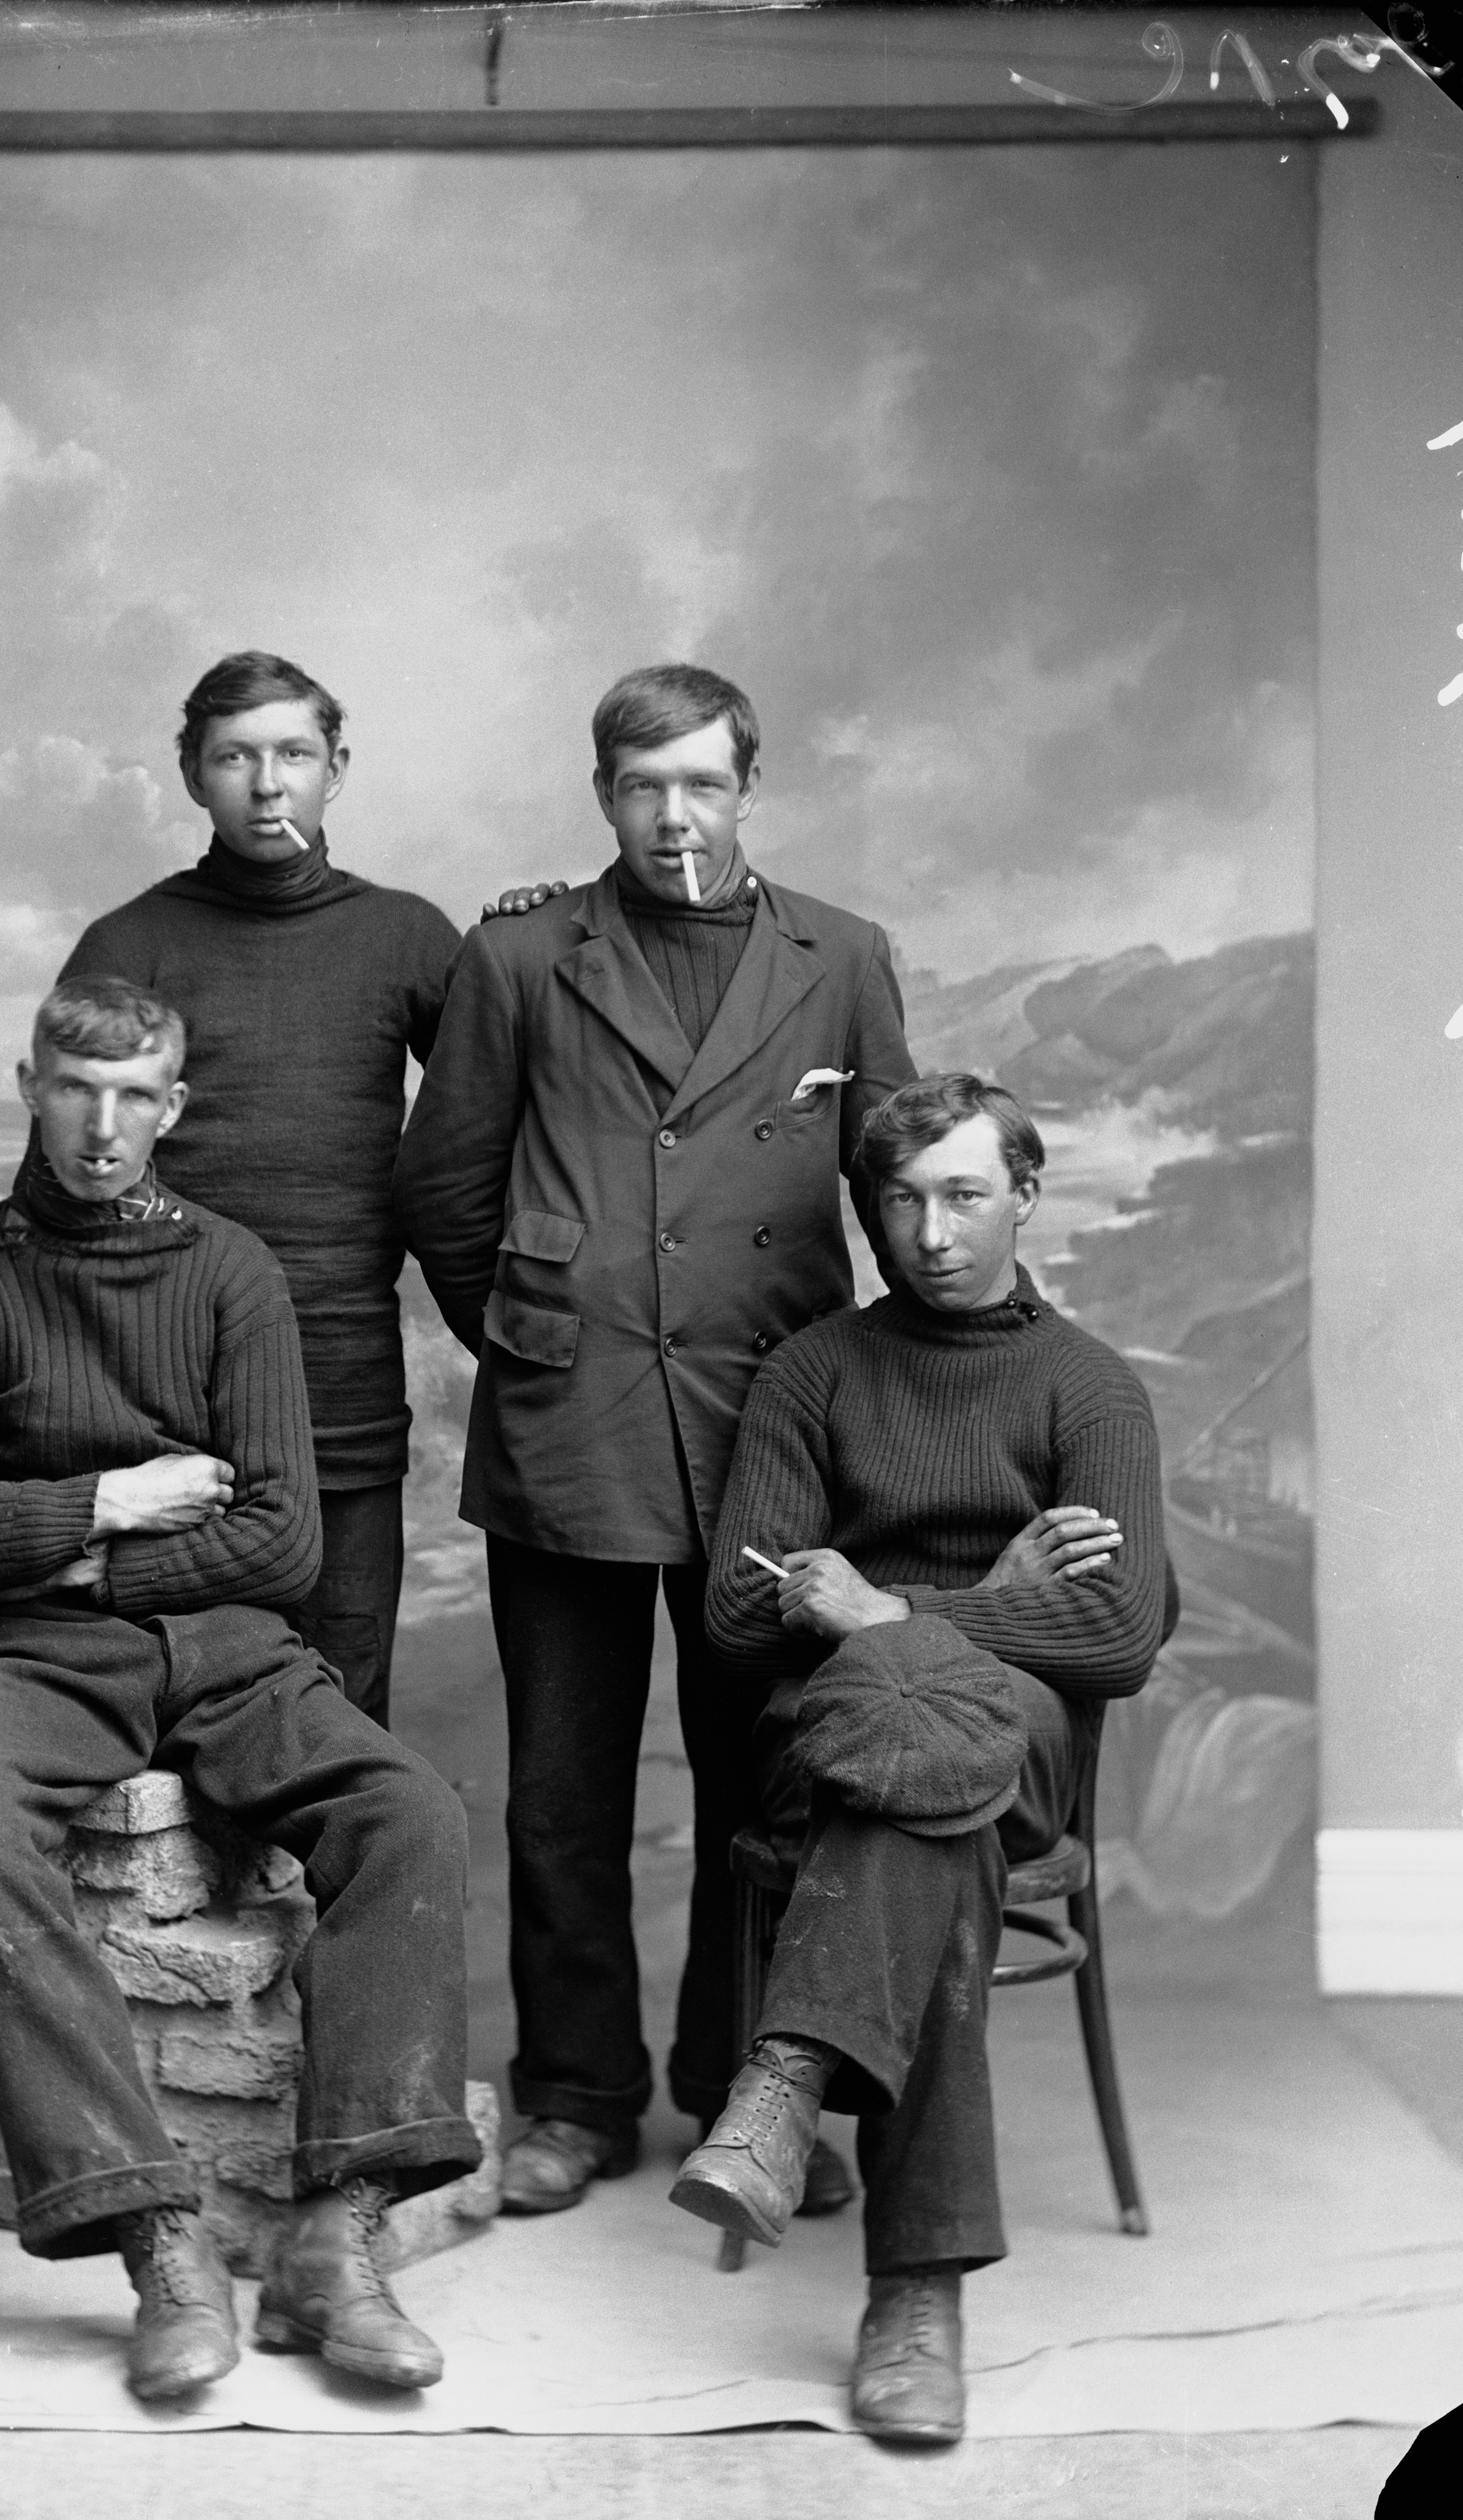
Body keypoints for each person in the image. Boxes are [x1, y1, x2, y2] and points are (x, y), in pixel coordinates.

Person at [0, 975, 480, 2403]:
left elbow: (282, 1538)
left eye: (137, 1094)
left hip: (222, 1640)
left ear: (174, 1107)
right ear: (29, 1084)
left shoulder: (231, 1268)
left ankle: (338, 2237)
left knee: (408, 1812)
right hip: (28, 1653)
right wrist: (115, 1498)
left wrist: (65, 1557)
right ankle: (158, 2239)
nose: (103, 1125)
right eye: (77, 1090)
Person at [393, 662, 917, 2214]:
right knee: (563, 1785)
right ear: (602, 796)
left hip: (775, 1425)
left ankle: (746, 2093)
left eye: (701, 783)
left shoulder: (843, 957)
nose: (672, 816)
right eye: (640, 787)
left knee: (764, 1780)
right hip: (571, 1421)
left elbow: (894, 1184)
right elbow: (442, 1188)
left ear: (749, 787)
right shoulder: (520, 956)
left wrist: (901, 1414)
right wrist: (538, 1329)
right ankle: (572, 2096)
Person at [672, 1073, 1173, 2443]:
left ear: (1024, 1194)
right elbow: (733, 1612)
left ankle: (779, 2088)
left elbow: (1123, 1631)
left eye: (962, 1196)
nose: (931, 1233)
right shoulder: (814, 1373)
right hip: (844, 1746)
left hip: (1016, 1745)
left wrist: (892, 1611)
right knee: (919, 1803)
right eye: (899, 1201)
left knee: (930, 1734)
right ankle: (917, 2298)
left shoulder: (1088, 1390)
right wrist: (997, 1609)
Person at [58, 652, 463, 1728]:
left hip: (344, 1390)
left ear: (338, 768)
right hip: (165, 1402)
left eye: (293, 754)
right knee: (165, 1717)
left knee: (340, 1713)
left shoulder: (409, 938)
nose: (267, 783)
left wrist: (536, 934)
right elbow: (71, 1171)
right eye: (236, 757)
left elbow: (494, 1120)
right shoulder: (129, 943)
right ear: (193, 774)